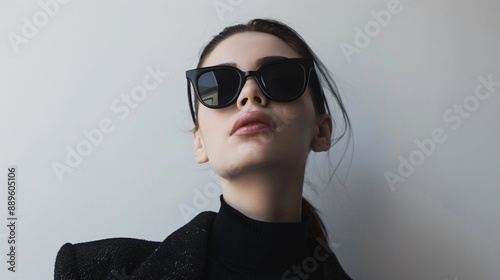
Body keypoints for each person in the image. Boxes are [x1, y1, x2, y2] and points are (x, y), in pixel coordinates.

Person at [54, 18, 352, 280]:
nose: (250, 93)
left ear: (322, 131)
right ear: (200, 143)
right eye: (218, 87)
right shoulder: (92, 271)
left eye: (280, 79)